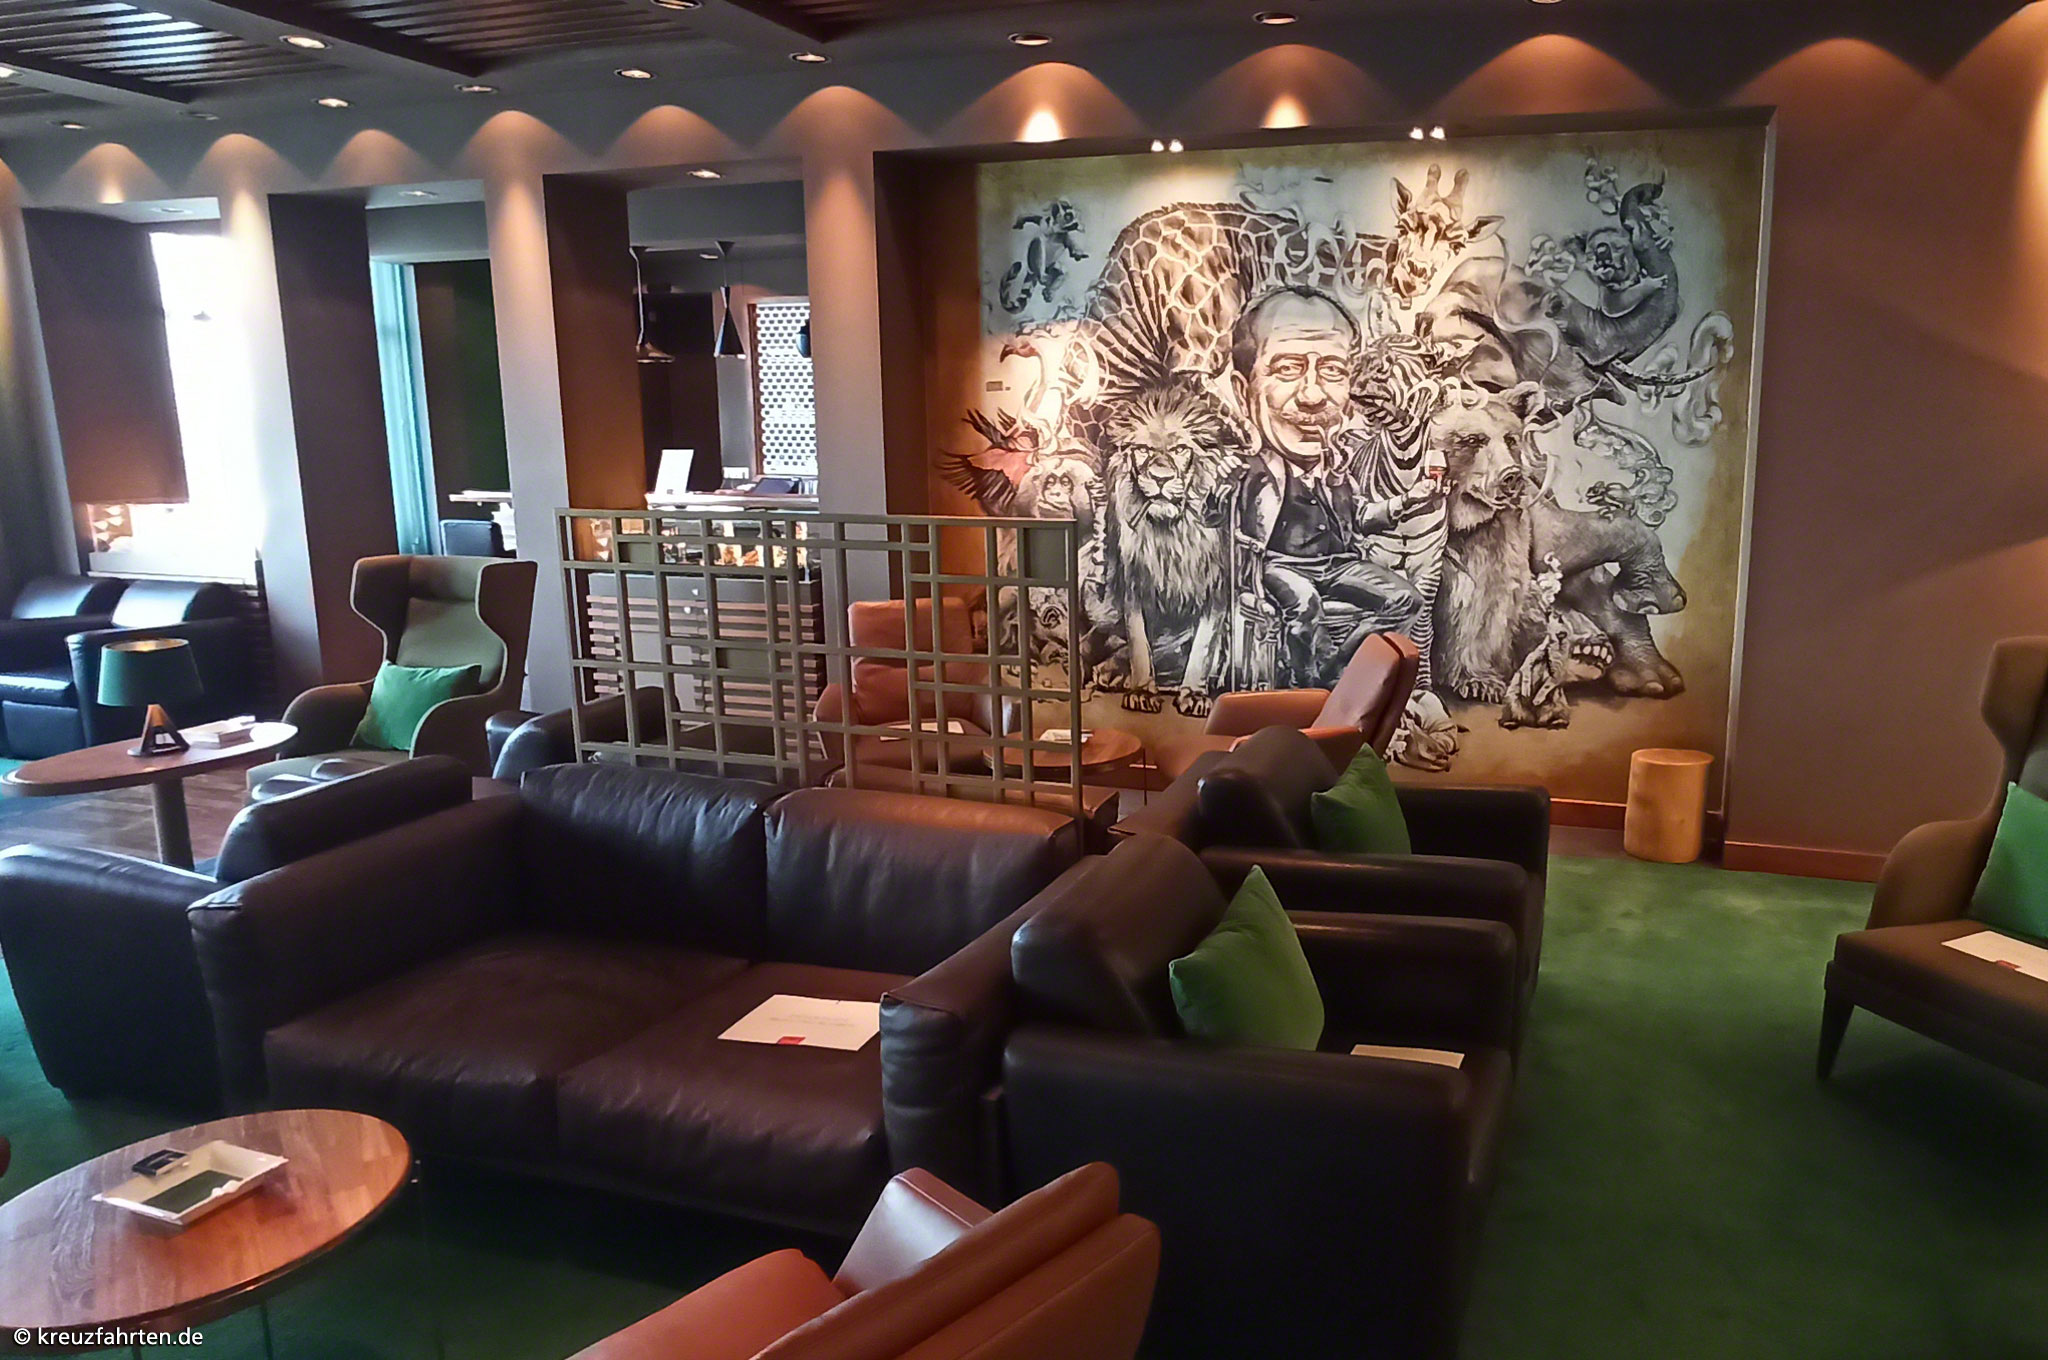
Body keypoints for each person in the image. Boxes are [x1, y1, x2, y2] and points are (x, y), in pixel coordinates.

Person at [1231, 286, 1433, 686]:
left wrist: (1408, 501)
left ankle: (1337, 668)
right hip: (1282, 565)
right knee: (1304, 605)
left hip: (1338, 565)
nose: (1311, 396)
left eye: (1333, 371)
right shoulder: (1249, 471)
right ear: (1243, 391)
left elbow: (1360, 518)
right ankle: (1307, 682)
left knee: (1406, 599)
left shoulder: (1338, 469)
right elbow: (1219, 524)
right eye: (1287, 368)